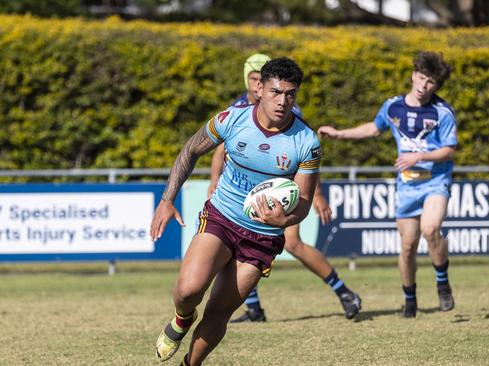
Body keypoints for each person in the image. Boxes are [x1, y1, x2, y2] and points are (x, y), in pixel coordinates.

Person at [151, 57, 321, 365]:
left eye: (290, 94)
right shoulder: (232, 119)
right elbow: (190, 150)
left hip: (263, 236)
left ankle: (190, 364)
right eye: (275, 92)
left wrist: (285, 219)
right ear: (259, 87)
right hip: (222, 217)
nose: (283, 101)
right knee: (189, 290)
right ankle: (181, 320)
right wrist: (167, 200)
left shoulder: (306, 142)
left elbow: (305, 200)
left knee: (219, 312)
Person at [208, 54, 361, 322]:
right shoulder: (238, 109)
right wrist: (214, 181)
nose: (258, 83)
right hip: (246, 191)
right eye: (253, 78)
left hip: (282, 193)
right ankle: (254, 308)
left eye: (260, 77)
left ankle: (344, 292)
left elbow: (306, 155)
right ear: (252, 83)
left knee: (293, 243)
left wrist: (318, 196)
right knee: (233, 243)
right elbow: (221, 147)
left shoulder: (286, 109)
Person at [318, 51, 456, 318]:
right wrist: (339, 133)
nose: (423, 85)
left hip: (436, 181)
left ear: (437, 86)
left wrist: (420, 156)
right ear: (413, 74)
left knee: (430, 228)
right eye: (421, 77)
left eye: (430, 82)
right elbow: (373, 128)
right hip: (406, 186)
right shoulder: (393, 107)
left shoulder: (442, 112)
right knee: (407, 246)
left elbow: (449, 150)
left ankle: (442, 282)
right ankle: (410, 299)